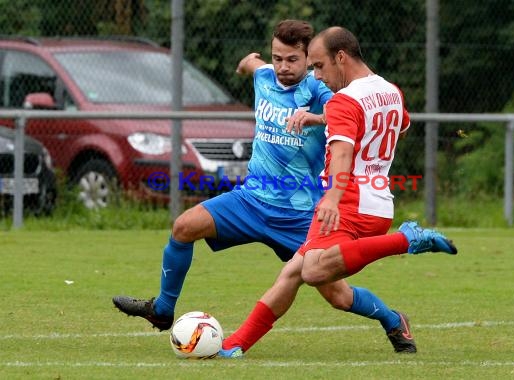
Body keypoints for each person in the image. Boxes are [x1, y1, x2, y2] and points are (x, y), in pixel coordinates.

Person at [112, 21, 401, 345]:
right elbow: (256, 65)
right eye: (277, 57)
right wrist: (247, 64)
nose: (283, 66)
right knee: (184, 227)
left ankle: (392, 318)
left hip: (300, 213)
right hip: (251, 199)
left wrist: (315, 118)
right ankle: (163, 310)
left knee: (337, 295)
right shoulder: (264, 75)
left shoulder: (323, 90)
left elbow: (352, 113)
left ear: (310, 60)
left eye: (293, 59)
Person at [218, 26, 457, 358]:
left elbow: (343, 154)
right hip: (379, 202)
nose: (317, 76)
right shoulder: (389, 90)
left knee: (312, 271)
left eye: (319, 66)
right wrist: (322, 120)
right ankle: (236, 344)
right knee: (300, 276)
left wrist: (331, 197)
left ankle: (407, 240)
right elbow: (401, 126)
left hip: (348, 202)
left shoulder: (345, 100)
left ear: (340, 58)